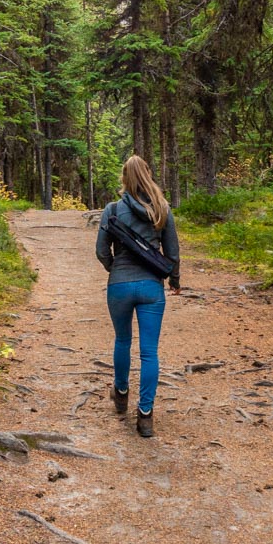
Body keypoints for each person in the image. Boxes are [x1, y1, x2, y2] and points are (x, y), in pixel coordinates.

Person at [95, 155, 181, 438]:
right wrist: (174, 281)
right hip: (151, 288)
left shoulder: (112, 210)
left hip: (118, 286)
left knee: (122, 340)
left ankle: (121, 395)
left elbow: (100, 251)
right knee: (149, 353)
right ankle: (145, 416)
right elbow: (172, 253)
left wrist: (115, 269)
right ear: (147, 174)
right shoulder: (161, 209)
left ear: (124, 178)